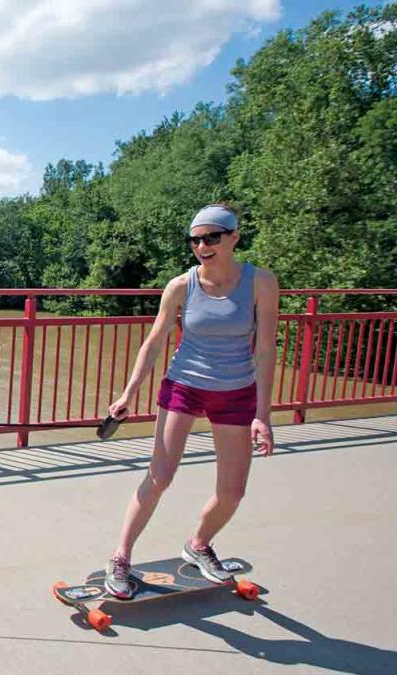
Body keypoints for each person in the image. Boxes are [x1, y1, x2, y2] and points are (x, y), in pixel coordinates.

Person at [103, 204, 279, 599]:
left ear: (234, 237)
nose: (202, 246)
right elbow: (154, 341)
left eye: (211, 237)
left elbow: (266, 349)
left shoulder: (262, 283)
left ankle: (199, 544)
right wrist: (129, 392)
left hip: (236, 391)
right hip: (184, 385)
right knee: (160, 477)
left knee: (233, 492)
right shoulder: (181, 285)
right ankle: (120, 557)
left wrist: (262, 415)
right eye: (195, 239)